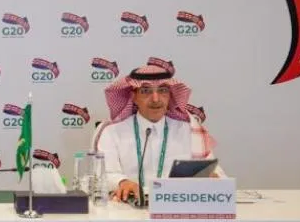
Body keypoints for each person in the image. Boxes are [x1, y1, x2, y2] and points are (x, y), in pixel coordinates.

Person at [92, 63, 223, 203]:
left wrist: (213, 177)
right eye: (145, 91)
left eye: (163, 90)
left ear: (170, 95)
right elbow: (102, 174)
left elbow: (215, 171)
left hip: (177, 208)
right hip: (127, 208)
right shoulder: (112, 132)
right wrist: (122, 182)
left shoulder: (190, 131)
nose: (155, 99)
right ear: (133, 96)